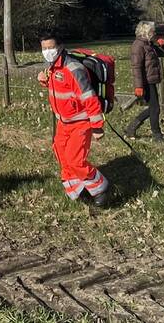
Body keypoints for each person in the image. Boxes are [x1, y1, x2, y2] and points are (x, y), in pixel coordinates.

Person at [37, 29, 109, 207]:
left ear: (60, 47)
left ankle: (100, 188)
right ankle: (77, 190)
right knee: (61, 155)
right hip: (64, 123)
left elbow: (89, 98)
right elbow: (61, 90)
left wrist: (97, 126)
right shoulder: (52, 68)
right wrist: (43, 80)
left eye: (51, 47)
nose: (47, 51)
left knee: (75, 160)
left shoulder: (73, 68)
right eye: (44, 48)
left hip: (80, 122)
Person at [125, 21, 164, 142]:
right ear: (145, 32)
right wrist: (138, 86)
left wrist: (162, 44)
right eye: (153, 31)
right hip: (145, 82)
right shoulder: (138, 46)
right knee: (155, 108)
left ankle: (131, 128)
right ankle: (157, 136)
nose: (154, 33)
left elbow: (163, 53)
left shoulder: (149, 44)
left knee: (154, 108)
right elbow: (136, 67)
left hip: (151, 80)